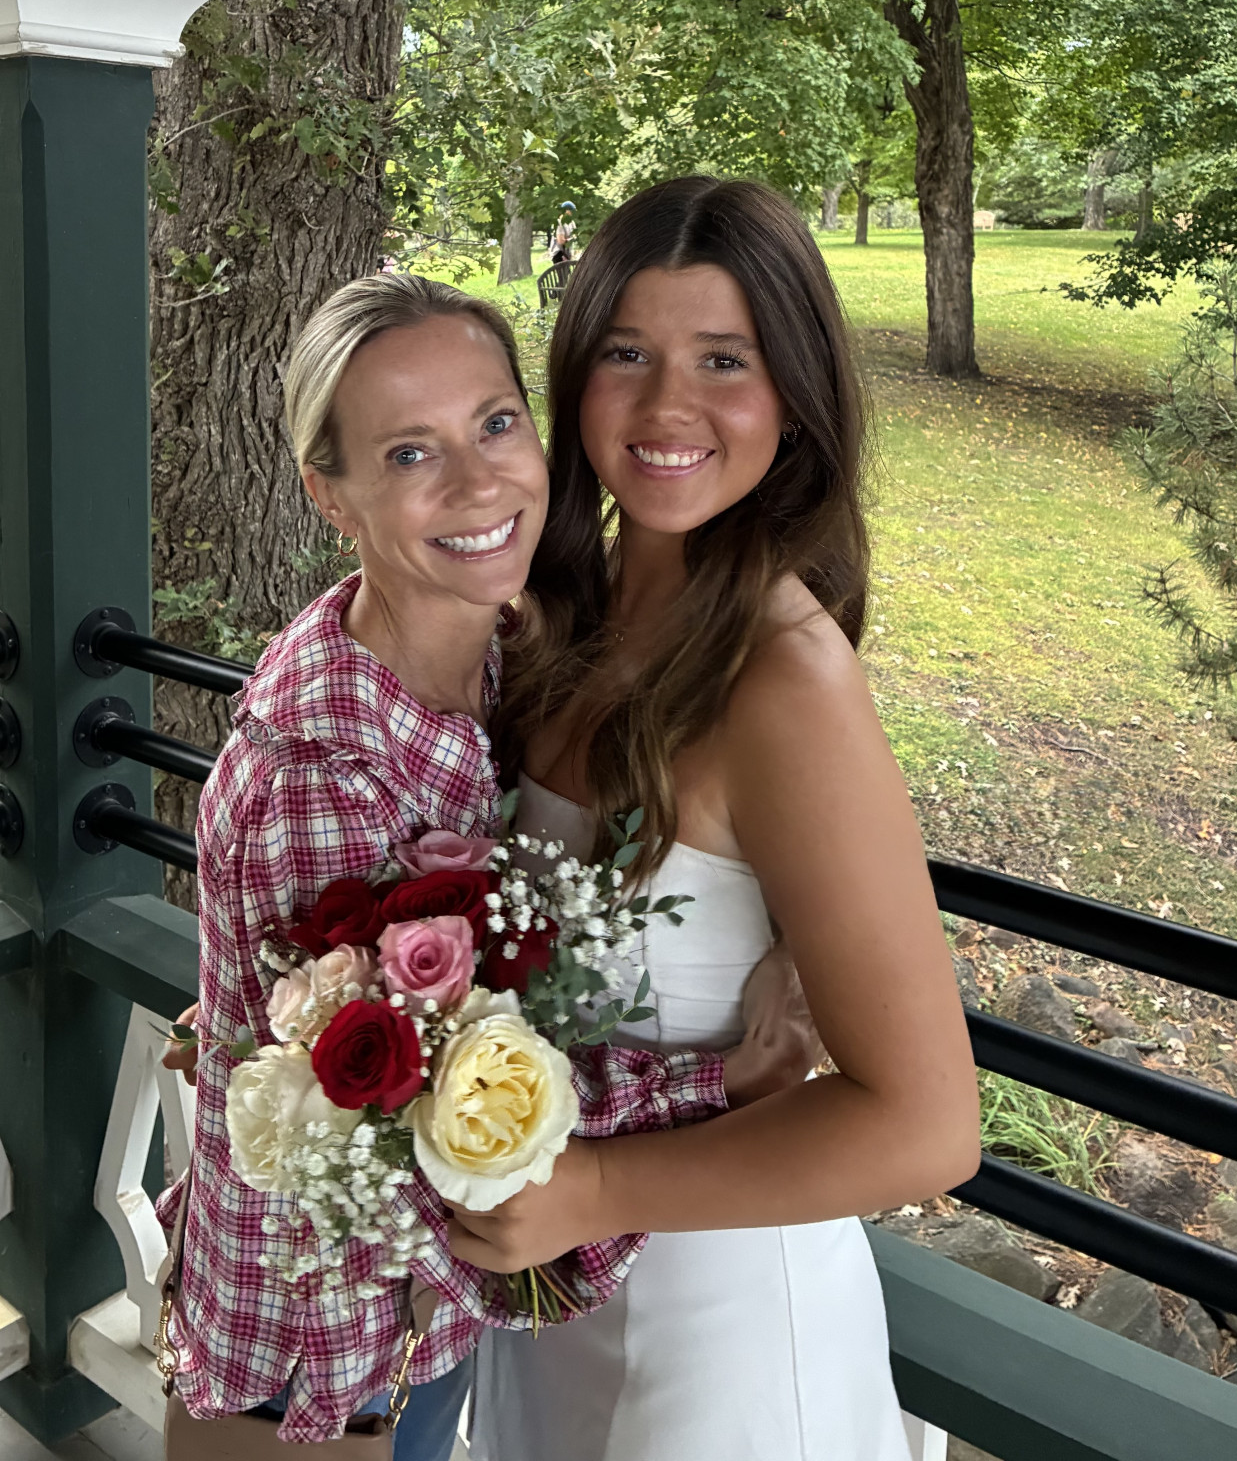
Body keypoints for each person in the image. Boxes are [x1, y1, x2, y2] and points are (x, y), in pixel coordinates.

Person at [156, 272, 812, 1459]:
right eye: (409, 452)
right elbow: (423, 1127)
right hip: (321, 1364)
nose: (476, 482)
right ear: (328, 493)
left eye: (495, 423)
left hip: (431, 1326)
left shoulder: (500, 651)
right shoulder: (323, 772)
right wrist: (726, 1077)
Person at [466, 177, 980, 1461]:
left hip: (723, 1343)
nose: (666, 406)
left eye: (723, 359)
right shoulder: (547, 624)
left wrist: (590, 1186)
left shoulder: (785, 682)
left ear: (793, 392)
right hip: (544, 1306)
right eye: (626, 353)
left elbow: (927, 1126)